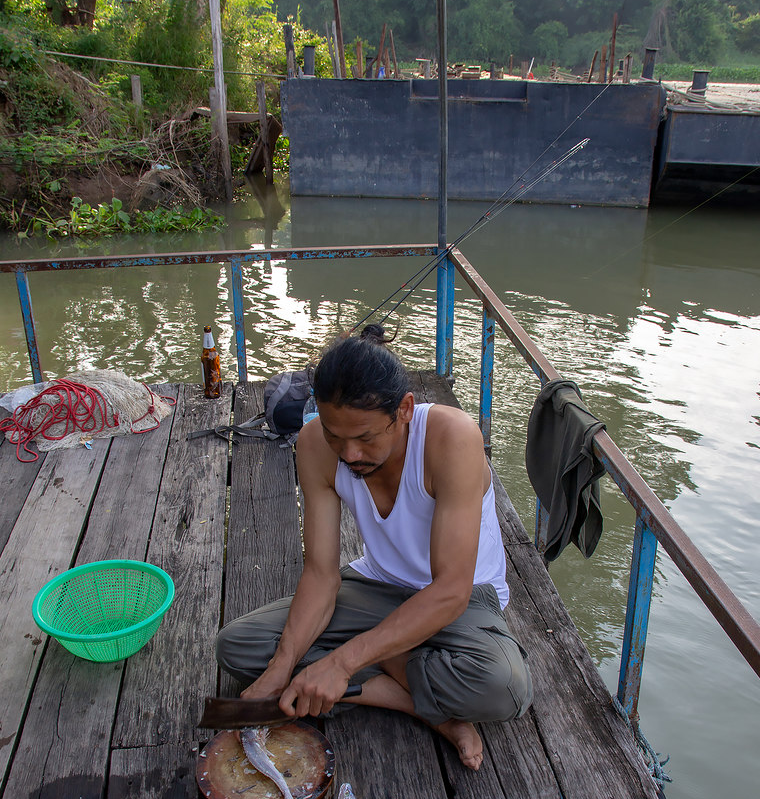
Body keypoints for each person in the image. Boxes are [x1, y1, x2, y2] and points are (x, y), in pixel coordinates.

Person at [215, 325, 532, 770]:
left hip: (460, 599)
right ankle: (418, 703)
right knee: (239, 647)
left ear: (404, 410)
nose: (348, 454)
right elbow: (322, 574)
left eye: (366, 437)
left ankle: (378, 666)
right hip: (377, 585)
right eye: (333, 434)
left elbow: (451, 590)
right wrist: (279, 669)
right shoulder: (313, 445)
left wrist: (343, 663)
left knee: (504, 687)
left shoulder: (450, 438)